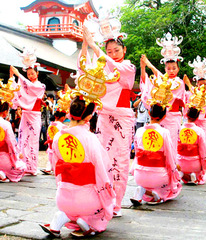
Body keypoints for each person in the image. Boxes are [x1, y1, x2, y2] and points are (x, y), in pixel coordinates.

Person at [81, 24, 136, 217]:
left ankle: (116, 203)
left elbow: (117, 70)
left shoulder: (128, 66)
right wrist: (85, 46)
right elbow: (85, 72)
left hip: (122, 118)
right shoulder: (102, 66)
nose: (112, 54)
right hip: (104, 117)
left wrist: (94, 46)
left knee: (120, 161)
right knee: (102, 160)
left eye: (117, 50)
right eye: (109, 51)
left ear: (124, 49)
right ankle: (103, 199)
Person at [40, 96, 115, 237]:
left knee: (70, 197)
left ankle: (61, 218)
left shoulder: (57, 137)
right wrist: (109, 188)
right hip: (87, 201)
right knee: (106, 197)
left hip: (63, 197)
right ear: (88, 117)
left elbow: (57, 170)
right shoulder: (89, 137)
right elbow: (102, 168)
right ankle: (86, 221)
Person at [140, 33, 185, 156]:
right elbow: (156, 77)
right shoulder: (161, 80)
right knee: (159, 143)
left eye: (174, 68)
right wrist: (145, 66)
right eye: (168, 68)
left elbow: (160, 78)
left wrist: (148, 64)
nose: (171, 71)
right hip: (161, 116)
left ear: (178, 69)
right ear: (165, 68)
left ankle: (172, 170)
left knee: (171, 143)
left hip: (173, 117)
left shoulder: (179, 83)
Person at [130, 103, 182, 205]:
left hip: (139, 175)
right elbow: (169, 156)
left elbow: (136, 153)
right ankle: (156, 194)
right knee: (172, 185)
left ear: (149, 113)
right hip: (158, 176)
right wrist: (174, 169)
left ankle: (142, 189)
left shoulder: (139, 131)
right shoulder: (164, 132)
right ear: (164, 116)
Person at [10, 64, 45, 175]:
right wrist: (12, 77)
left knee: (33, 141)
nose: (30, 75)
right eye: (28, 74)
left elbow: (29, 85)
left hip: (34, 115)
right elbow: (18, 88)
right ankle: (22, 164)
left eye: (32, 73)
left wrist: (18, 74)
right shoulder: (25, 84)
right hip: (25, 114)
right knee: (22, 140)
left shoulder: (40, 86)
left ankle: (32, 167)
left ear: (37, 73)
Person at [0, 100, 26, 182]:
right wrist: (18, 153)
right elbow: (11, 142)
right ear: (5, 111)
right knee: (22, 167)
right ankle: (2, 172)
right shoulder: (5, 124)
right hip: (4, 159)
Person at [184, 55, 206, 142]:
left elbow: (201, 98)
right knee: (192, 140)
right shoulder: (192, 93)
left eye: (204, 84)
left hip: (204, 121)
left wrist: (189, 85)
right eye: (200, 84)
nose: (202, 86)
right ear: (197, 84)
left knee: (203, 140)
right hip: (193, 120)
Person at [177, 105, 206, 185]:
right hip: (194, 163)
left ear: (186, 115)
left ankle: (182, 173)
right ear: (197, 117)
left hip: (180, 162)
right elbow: (203, 150)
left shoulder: (179, 129)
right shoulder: (199, 131)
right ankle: (194, 174)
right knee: (203, 157)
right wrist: (204, 163)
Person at [41, 109, 66, 175]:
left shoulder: (51, 125)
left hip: (50, 144)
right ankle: (53, 169)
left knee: (50, 158)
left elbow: (48, 135)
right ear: (63, 118)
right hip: (58, 144)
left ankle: (49, 169)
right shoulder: (63, 126)